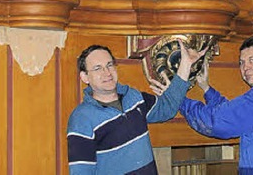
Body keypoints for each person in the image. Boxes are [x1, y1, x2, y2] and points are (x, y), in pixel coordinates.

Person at [67, 41, 206, 174]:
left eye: (109, 65)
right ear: (85, 77)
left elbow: (166, 108)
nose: (107, 72)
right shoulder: (81, 119)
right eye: (98, 68)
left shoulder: (133, 97)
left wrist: (185, 65)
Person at [178, 36, 253, 174]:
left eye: (252, 60)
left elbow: (216, 122)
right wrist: (206, 89)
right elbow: (233, 114)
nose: (245, 67)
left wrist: (177, 98)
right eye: (241, 62)